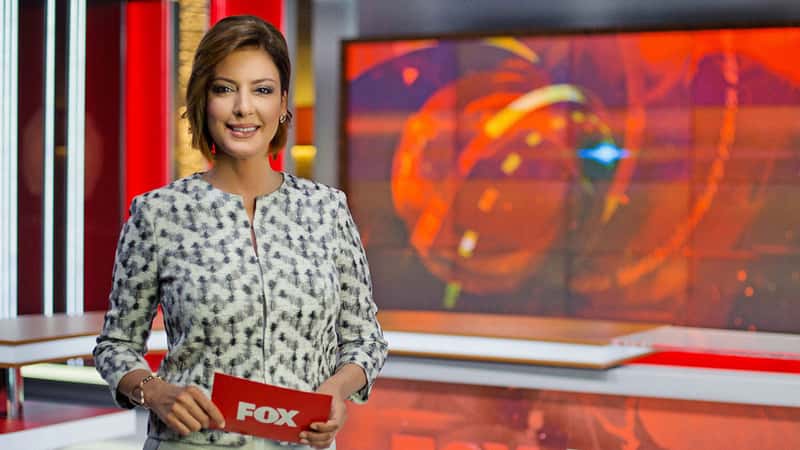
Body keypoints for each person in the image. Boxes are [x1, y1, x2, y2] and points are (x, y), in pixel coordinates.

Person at [93, 15, 388, 450]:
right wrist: (154, 391)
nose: (243, 107)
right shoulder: (158, 214)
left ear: (283, 103)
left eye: (262, 90)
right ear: (203, 100)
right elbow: (115, 345)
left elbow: (365, 340)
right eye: (224, 88)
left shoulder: (327, 209)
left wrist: (336, 391)